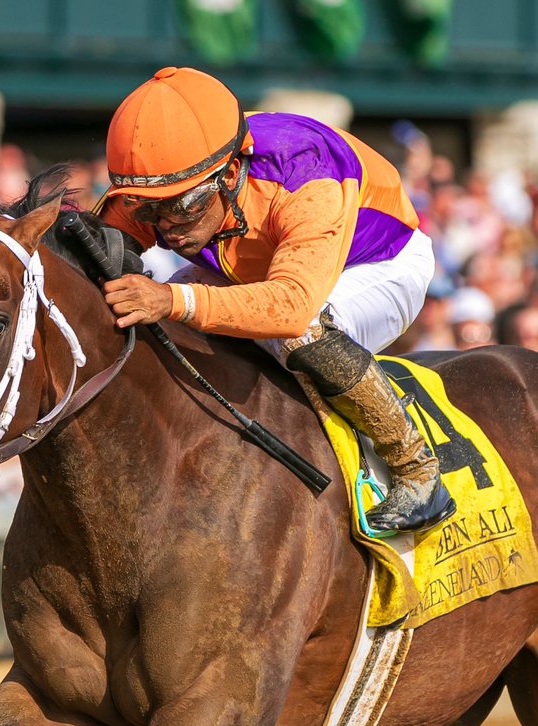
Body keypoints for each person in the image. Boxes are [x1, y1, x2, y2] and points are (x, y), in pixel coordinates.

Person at [95, 67, 454, 534]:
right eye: (148, 210)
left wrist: (170, 299)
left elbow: (290, 307)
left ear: (229, 173)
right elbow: (101, 244)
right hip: (257, 265)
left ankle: (417, 471)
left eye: (183, 207)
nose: (166, 227)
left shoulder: (306, 176)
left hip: (376, 265)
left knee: (300, 333)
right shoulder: (178, 174)